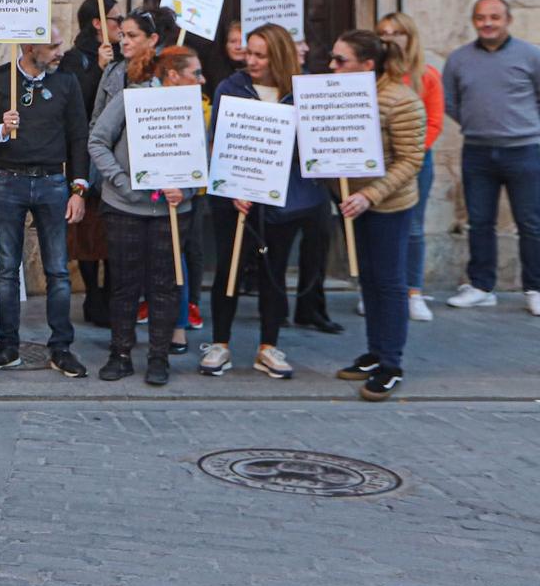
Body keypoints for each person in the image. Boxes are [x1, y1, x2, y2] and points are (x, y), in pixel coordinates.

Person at [202, 24, 318, 379]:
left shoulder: (301, 92)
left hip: (282, 199)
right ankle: (220, 343)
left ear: (278, 56)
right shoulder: (230, 87)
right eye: (248, 52)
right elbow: (217, 141)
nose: (249, 60)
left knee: (275, 273)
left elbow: (309, 147)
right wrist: (233, 186)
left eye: (259, 55)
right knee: (229, 269)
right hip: (234, 198)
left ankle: (268, 345)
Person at [0, 32, 90, 378]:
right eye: (53, 46)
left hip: (54, 182)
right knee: (7, 269)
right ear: (28, 47)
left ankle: (61, 347)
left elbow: (79, 136)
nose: (60, 50)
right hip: (10, 180)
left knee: (57, 270)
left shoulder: (67, 82)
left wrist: (79, 188)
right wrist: (0, 129)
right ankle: (8, 345)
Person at [89, 45, 200, 386]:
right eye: (195, 73)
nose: (201, 79)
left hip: (171, 210)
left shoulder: (194, 107)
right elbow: (97, 141)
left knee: (165, 285)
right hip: (126, 207)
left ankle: (158, 357)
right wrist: (123, 183)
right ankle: (120, 354)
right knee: (124, 283)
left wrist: (188, 189)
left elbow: (202, 157)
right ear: (173, 75)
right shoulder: (131, 98)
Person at [329, 30, 429, 400]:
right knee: (368, 279)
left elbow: (411, 160)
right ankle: (375, 351)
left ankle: (391, 363)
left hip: (387, 205)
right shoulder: (341, 93)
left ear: (367, 65)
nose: (332, 66)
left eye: (341, 61)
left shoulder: (401, 101)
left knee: (389, 282)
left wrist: (370, 195)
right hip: (351, 201)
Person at [442, 0, 540, 314]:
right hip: (477, 152)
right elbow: (451, 101)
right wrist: (477, 125)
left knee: (531, 223)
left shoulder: (530, 55)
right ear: (474, 22)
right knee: (480, 222)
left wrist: (523, 126)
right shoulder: (458, 59)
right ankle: (482, 286)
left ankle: (535, 288)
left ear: (508, 20)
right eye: (481, 17)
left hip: (524, 151)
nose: (488, 23)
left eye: (495, 17)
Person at [378, 11, 445, 320]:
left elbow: (434, 121)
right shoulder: (373, 77)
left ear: (410, 37)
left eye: (396, 33)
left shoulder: (426, 75)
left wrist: (413, 152)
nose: (389, 39)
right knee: (378, 226)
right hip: (379, 161)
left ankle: (413, 291)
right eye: (383, 34)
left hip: (416, 160)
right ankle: (379, 290)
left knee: (414, 226)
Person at [61, 0, 120, 326]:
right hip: (85, 155)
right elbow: (78, 104)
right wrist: (98, 69)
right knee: (87, 230)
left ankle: (112, 292)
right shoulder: (75, 59)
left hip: (115, 155)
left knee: (112, 227)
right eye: (115, 18)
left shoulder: (122, 56)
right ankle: (93, 294)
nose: (120, 25)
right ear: (98, 23)